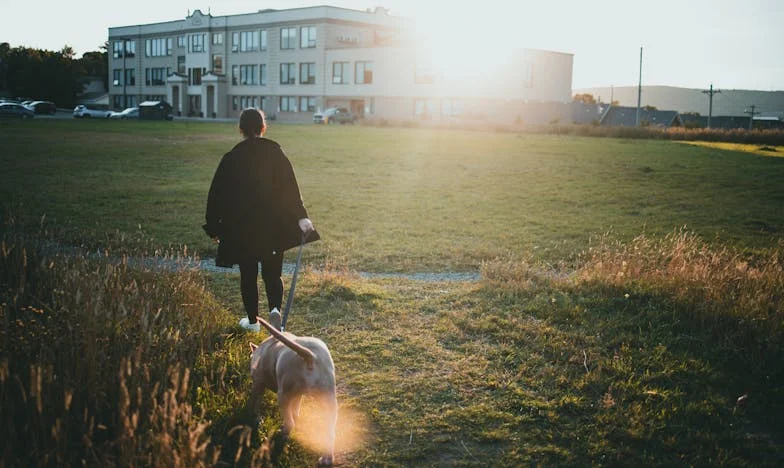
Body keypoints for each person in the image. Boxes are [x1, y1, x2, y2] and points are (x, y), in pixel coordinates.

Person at [204, 108, 319, 332]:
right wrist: (301, 216)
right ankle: (275, 313)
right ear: (263, 127)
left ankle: (253, 322)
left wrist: (214, 227)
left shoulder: (231, 157)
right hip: (273, 227)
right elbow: (290, 188)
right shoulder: (275, 152)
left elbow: (217, 194)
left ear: (241, 129)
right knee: (273, 274)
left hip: (243, 228)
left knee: (248, 275)